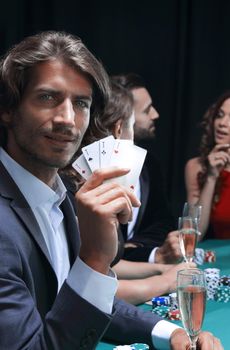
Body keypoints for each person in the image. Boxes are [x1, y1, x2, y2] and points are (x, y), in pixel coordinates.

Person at [0, 31, 222, 350]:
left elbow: (86, 299)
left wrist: (169, 332)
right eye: (47, 97)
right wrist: (94, 258)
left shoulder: (58, 192)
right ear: (7, 108)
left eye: (81, 103)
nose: (67, 119)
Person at [65, 79, 194, 305]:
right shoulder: (69, 189)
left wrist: (160, 269)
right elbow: (84, 287)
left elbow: (105, 264)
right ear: (118, 128)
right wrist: (163, 282)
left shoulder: (86, 182)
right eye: (131, 126)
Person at [112, 73, 182, 264]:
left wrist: (133, 247)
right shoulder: (85, 171)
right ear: (124, 118)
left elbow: (164, 222)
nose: (155, 115)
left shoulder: (149, 163)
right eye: (147, 110)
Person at [185, 91, 230, 240]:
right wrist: (211, 177)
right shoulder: (196, 166)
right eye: (220, 115)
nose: (222, 123)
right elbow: (193, 233)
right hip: (218, 258)